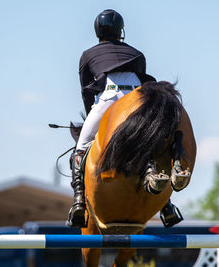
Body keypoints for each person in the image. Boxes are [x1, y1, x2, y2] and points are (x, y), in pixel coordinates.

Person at [68, 9, 183, 228]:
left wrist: (94, 116)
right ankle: (166, 205)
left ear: (97, 32)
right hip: (138, 100)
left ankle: (79, 202)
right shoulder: (137, 54)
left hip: (108, 99)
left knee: (81, 148)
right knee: (152, 143)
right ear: (120, 31)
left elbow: (86, 91)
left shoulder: (87, 55)